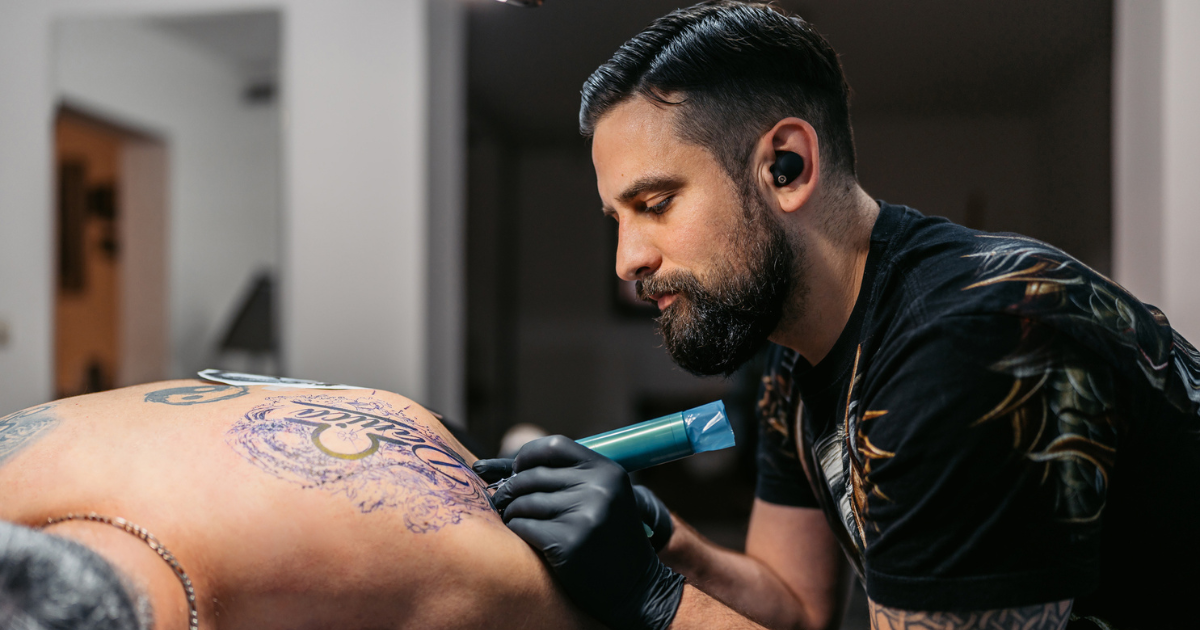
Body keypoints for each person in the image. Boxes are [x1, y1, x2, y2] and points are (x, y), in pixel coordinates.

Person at [472, 2, 1200, 630]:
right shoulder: (791, 348)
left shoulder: (966, 346)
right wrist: (660, 540)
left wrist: (648, 596)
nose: (627, 260)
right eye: (617, 219)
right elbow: (793, 603)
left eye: (656, 204)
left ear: (785, 166)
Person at [0, 380, 598, 630]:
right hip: (339, 434)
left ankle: (520, 440)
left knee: (527, 458)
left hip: (441, 478)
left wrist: (648, 578)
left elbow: (599, 615)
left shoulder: (427, 561)